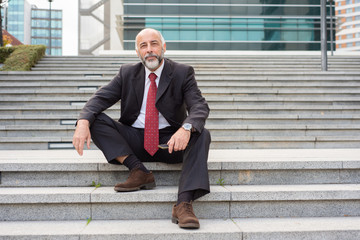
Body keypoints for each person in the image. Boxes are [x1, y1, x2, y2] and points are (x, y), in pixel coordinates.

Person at [72, 28, 211, 229]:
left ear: (163, 47)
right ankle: (138, 170)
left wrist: (186, 128)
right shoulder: (127, 73)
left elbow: (199, 106)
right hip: (135, 140)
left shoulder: (182, 72)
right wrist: (83, 122)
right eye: (143, 46)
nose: (149, 50)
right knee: (95, 119)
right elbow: (99, 99)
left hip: (170, 142)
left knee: (202, 134)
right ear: (137, 52)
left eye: (154, 44)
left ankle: (184, 204)